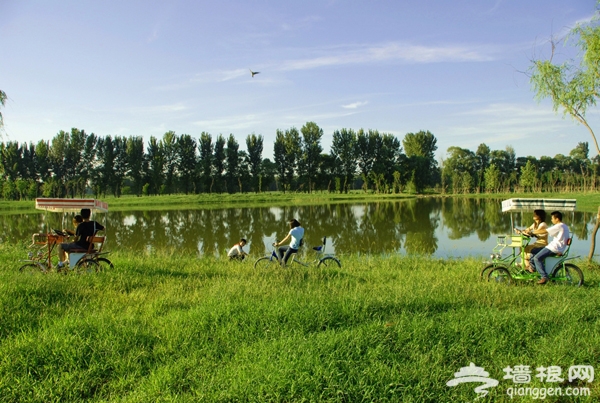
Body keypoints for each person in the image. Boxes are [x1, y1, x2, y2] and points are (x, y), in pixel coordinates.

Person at [529, 211, 570, 285]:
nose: (551, 220)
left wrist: (533, 232)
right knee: (533, 250)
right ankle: (534, 268)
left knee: (537, 258)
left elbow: (545, 230)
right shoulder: (565, 226)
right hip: (557, 247)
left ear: (557, 219)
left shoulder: (559, 226)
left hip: (554, 248)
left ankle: (544, 277)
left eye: (552, 218)